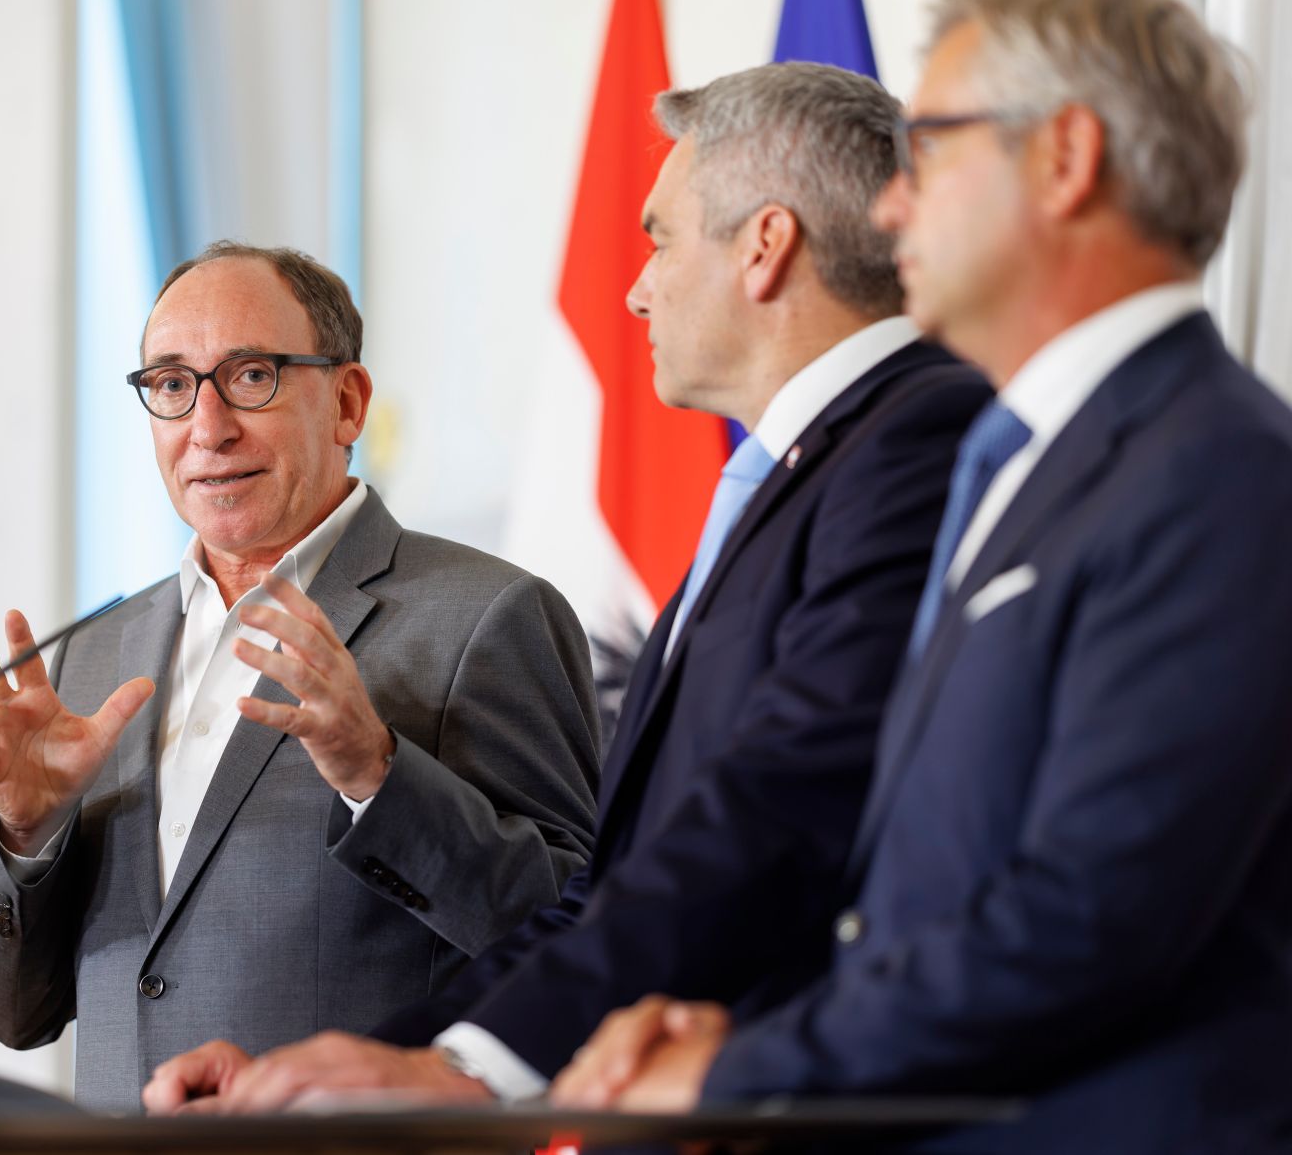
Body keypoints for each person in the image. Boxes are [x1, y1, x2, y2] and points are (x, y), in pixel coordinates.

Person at [142, 63, 989, 1114]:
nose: (634, 287)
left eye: (659, 239)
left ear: (764, 247)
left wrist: (451, 1066)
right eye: (171, 387)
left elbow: (777, 815)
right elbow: (621, 890)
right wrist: (371, 1065)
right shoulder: (798, 476)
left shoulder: (919, 440)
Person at [551, 0, 1292, 1149]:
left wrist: (744, 1068)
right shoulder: (1015, 464)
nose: (887, 205)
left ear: (1063, 160)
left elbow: (1087, 914)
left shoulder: (1221, 473)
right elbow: (915, 879)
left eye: (928, 150)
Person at [0, 241, 600, 1111]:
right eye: (173, 385)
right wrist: (25, 836)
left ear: (346, 401)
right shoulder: (98, 650)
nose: (208, 428)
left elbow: (577, 938)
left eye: (250, 375)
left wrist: (380, 772)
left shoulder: (486, 616)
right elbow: (14, 1011)